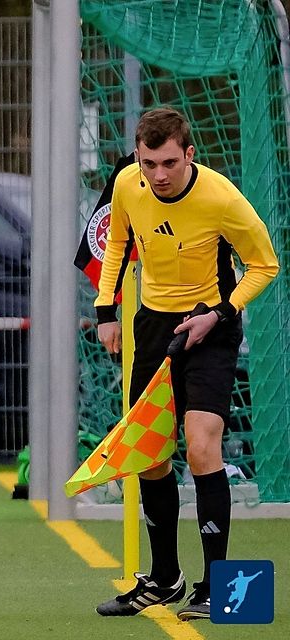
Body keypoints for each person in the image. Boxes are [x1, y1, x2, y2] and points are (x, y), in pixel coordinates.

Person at [92, 108, 279, 621]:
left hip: (209, 327)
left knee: (200, 445)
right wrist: (106, 309)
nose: (158, 175)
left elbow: (265, 265)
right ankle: (165, 577)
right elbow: (118, 244)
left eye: (169, 162)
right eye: (148, 162)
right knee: (150, 455)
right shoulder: (129, 184)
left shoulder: (221, 198)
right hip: (152, 328)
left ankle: (217, 586)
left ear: (189, 154)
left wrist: (219, 313)